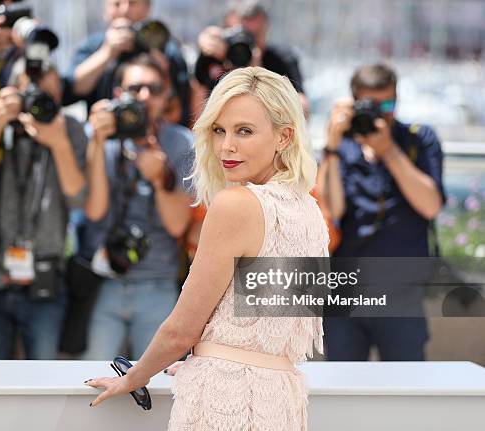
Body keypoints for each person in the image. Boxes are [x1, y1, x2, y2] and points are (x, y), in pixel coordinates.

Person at [84, 66, 329, 430]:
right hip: (281, 403)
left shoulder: (236, 204)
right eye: (219, 130)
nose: (226, 145)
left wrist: (133, 378)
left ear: (284, 136)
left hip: (224, 402)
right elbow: (268, 321)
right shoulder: (308, 209)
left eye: (244, 131)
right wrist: (209, 357)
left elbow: (181, 331)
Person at [0, 57, 95, 360]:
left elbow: (78, 198)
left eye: (47, 92)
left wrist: (58, 142)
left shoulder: (71, 129)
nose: (38, 99)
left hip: (45, 280)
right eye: (31, 89)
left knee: (43, 385)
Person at [318, 63, 445, 361]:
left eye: (388, 104)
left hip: (402, 294)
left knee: (406, 394)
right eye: (371, 106)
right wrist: (332, 147)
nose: (381, 114)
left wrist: (388, 151)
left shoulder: (417, 139)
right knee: (344, 393)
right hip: (346, 294)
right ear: (353, 103)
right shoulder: (343, 147)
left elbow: (431, 205)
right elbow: (329, 210)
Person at [77, 53, 193, 360]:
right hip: (107, 280)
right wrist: (98, 143)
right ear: (118, 94)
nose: (143, 97)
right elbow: (95, 211)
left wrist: (159, 179)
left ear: (166, 95)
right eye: (134, 89)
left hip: (158, 283)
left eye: (153, 89)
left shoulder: (181, 143)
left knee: (157, 382)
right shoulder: (104, 137)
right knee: (91, 374)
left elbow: (178, 225)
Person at [64, 0, 190, 126]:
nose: (124, 10)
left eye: (132, 3)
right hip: (106, 134)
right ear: (106, 10)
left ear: (147, 8)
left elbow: (182, 104)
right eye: (117, 4)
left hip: (157, 134)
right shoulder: (94, 46)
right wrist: (106, 53)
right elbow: (68, 92)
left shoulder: (166, 49)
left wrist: (160, 68)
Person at [194, 0, 307, 114]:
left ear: (266, 30)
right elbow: (194, 112)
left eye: (255, 35)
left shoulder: (281, 59)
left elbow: (303, 109)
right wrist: (206, 49)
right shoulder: (213, 58)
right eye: (242, 34)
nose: (249, 43)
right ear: (228, 29)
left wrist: (260, 74)